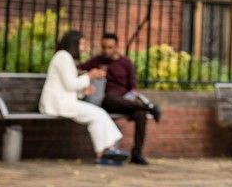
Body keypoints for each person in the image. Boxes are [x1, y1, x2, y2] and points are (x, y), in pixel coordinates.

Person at [39, 30, 129, 166]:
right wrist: (90, 76)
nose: (83, 47)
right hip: (58, 104)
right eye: (81, 43)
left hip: (65, 101)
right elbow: (70, 84)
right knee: (98, 114)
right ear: (74, 43)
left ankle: (106, 151)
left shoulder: (66, 57)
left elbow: (69, 86)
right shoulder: (63, 57)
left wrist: (83, 91)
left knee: (97, 115)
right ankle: (107, 151)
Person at [79, 32, 162, 165]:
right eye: (104, 47)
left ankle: (137, 154)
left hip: (126, 101)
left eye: (110, 47)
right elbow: (80, 69)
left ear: (117, 47)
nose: (106, 51)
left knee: (140, 115)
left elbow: (133, 88)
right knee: (111, 97)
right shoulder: (97, 61)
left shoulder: (126, 63)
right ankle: (149, 107)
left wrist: (129, 99)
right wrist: (90, 78)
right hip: (107, 100)